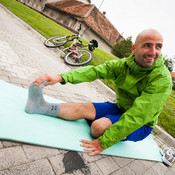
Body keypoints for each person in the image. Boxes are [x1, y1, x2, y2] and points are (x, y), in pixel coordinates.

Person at [25, 29, 172, 156]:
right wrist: (61, 77)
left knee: (97, 127)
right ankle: (40, 106)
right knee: (82, 108)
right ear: (134, 48)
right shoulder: (123, 65)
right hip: (119, 108)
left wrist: (103, 143)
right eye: (147, 45)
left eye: (158, 47)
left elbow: (139, 115)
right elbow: (94, 71)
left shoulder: (162, 78)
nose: (153, 52)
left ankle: (107, 124)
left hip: (142, 124)